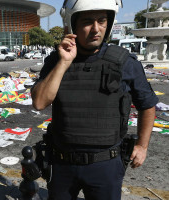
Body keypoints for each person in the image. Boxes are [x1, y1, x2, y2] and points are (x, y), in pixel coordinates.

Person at [31, 1, 158, 200]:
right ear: (73, 24)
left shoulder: (125, 62)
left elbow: (147, 105)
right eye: (87, 22)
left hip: (105, 166)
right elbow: (39, 102)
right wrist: (64, 62)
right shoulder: (56, 60)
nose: (96, 29)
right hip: (62, 164)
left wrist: (142, 146)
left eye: (102, 20)